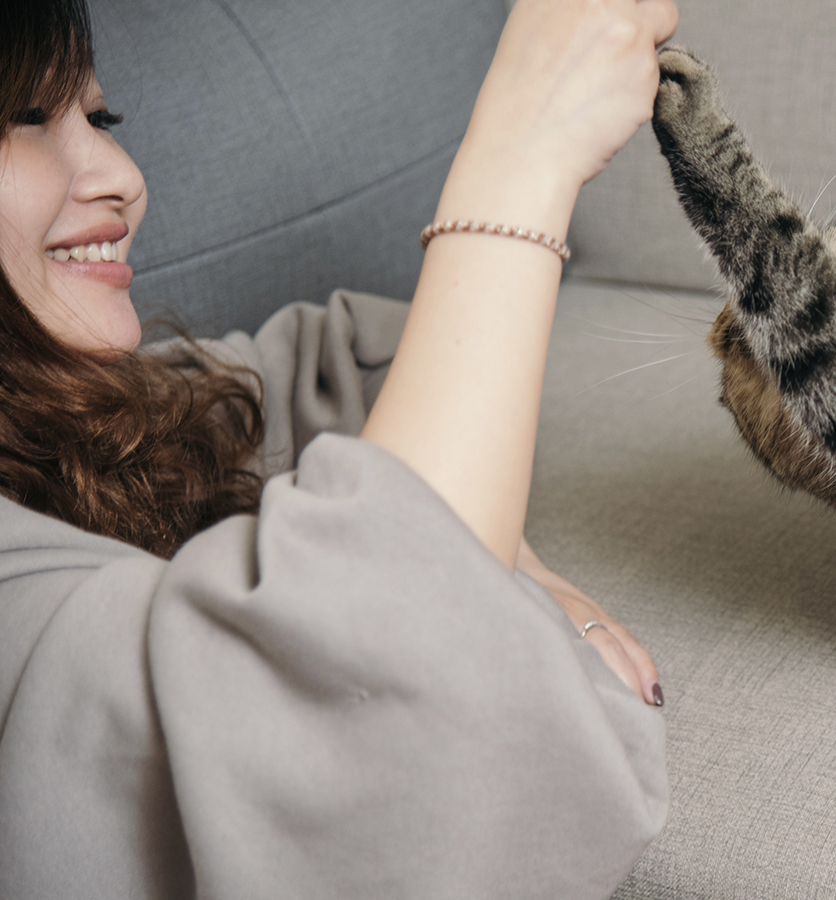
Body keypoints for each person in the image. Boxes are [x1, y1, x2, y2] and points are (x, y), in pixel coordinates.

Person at [0, 0, 679, 896]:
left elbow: (348, 359)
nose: (123, 176)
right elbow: (374, 718)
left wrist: (501, 549)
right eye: (26, 118)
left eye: (100, 118)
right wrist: (522, 154)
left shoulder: (80, 422)